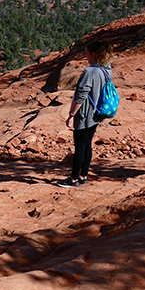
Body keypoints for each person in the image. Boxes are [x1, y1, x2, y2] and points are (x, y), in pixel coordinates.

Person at [57, 40, 114, 188]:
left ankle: (74, 179)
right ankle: (84, 176)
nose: (86, 56)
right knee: (87, 145)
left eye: (87, 53)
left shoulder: (90, 71)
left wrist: (71, 114)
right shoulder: (106, 69)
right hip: (97, 114)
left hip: (85, 114)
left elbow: (81, 96)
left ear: (94, 54)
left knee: (80, 147)